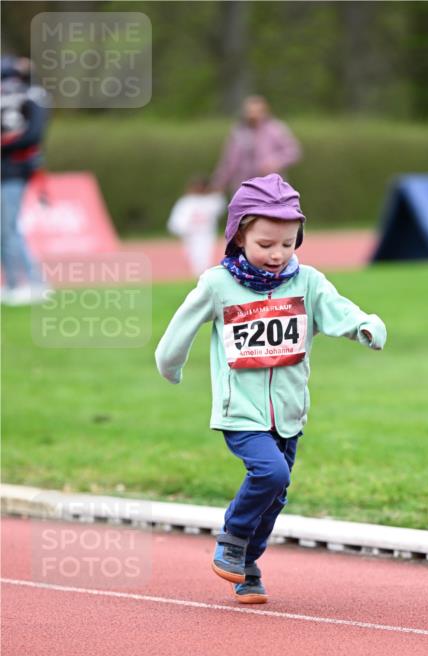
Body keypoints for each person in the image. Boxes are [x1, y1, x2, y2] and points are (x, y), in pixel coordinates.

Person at [155, 174, 386, 604]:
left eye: (288, 243)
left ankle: (247, 565)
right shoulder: (218, 284)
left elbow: (339, 310)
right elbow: (181, 327)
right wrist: (170, 365)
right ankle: (232, 538)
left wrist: (366, 326)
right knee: (271, 473)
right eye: (265, 244)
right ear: (239, 236)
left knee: (276, 495)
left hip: (290, 413)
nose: (277, 254)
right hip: (240, 412)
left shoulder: (308, 282)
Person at [1, 56, 50, 305]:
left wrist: (6, 144)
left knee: (9, 229)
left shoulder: (31, 97)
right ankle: (12, 283)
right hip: (7, 170)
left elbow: (33, 135)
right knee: (4, 230)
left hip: (14, 172)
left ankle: (31, 282)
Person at [211, 95, 301, 197]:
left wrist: (275, 162)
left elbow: (293, 151)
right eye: (249, 111)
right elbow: (230, 161)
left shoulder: (276, 129)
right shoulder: (239, 131)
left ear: (265, 112)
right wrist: (219, 183)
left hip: (271, 189)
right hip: (244, 188)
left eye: (257, 111)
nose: (253, 115)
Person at [166, 174, 226, 278]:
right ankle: (198, 276)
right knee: (193, 257)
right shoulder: (186, 202)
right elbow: (178, 220)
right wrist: (181, 229)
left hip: (205, 234)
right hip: (191, 235)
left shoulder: (210, 201)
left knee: (204, 258)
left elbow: (220, 206)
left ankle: (202, 277)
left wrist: (218, 191)